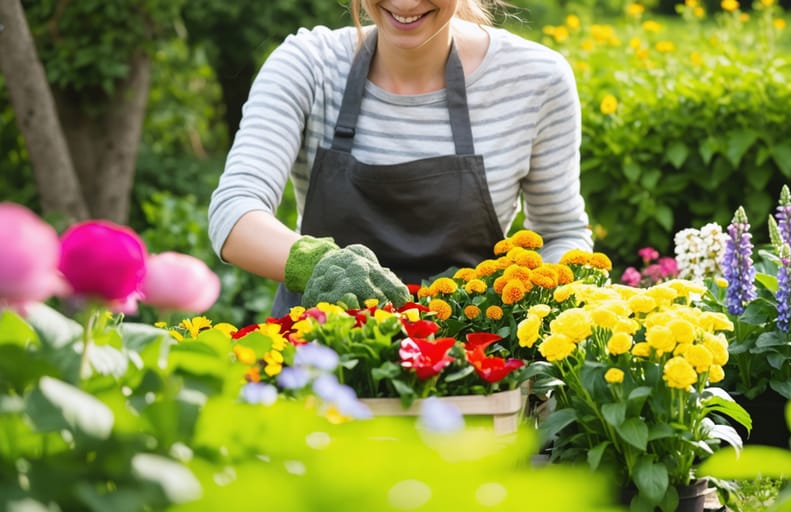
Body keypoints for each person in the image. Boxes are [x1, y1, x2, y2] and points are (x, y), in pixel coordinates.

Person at [208, 0, 593, 316]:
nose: (406, 3)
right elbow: (235, 213)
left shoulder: (534, 79)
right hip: (318, 352)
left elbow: (560, 235)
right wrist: (331, 271)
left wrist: (528, 311)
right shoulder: (310, 65)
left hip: (469, 361)